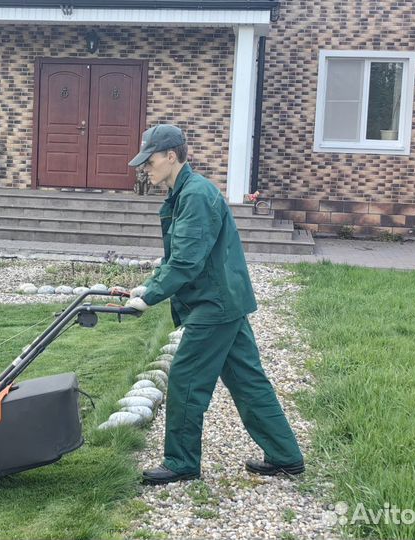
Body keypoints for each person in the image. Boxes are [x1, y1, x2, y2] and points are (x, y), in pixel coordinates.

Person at [124, 124, 304, 485]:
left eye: (150, 159)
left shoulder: (196, 195)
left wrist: (149, 297)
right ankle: (286, 456)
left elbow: (187, 261)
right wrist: (145, 286)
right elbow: (179, 257)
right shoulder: (183, 193)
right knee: (248, 381)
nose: (145, 167)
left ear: (170, 156)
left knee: (187, 381)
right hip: (223, 299)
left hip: (215, 303)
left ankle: (181, 462)